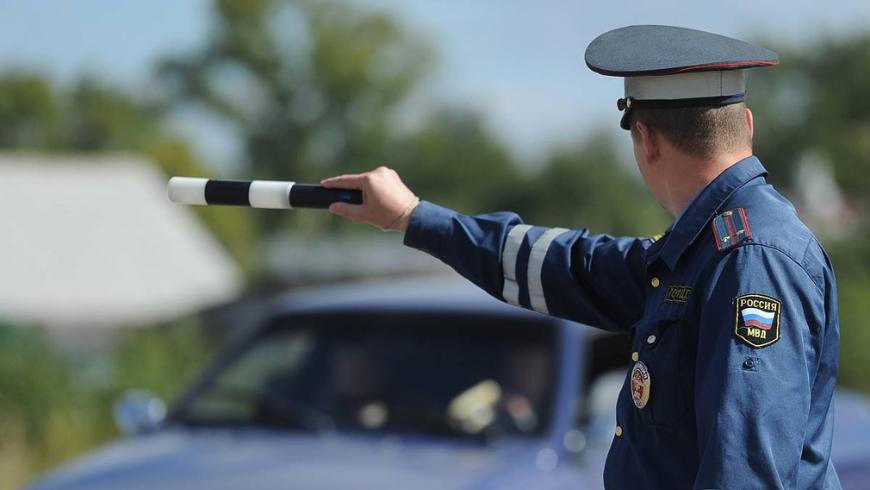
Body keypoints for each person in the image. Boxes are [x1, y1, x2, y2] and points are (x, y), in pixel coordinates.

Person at [320, 25, 841, 489]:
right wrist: (413, 216)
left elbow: (745, 473)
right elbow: (568, 265)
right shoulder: (706, 249)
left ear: (647, 140)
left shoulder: (748, 258)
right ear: (746, 124)